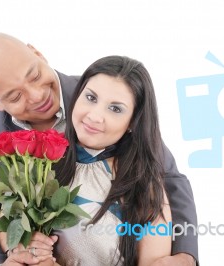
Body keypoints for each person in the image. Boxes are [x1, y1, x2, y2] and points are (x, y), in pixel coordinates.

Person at [0, 33, 199, 266]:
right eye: (15, 96)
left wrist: (185, 254)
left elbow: (166, 177)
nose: (38, 95)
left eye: (34, 76)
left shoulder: (102, 92)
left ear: (37, 53)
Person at [55, 55, 172, 265]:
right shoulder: (37, 162)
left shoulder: (144, 185)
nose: (95, 116)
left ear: (132, 122)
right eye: (91, 98)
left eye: (115, 109)